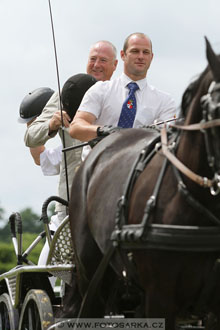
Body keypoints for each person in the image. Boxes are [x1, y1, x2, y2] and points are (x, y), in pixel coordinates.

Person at [24, 40, 118, 222]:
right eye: (93, 59)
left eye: (103, 60)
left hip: (113, 198)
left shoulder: (123, 95)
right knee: (56, 251)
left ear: (115, 65)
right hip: (71, 201)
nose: (97, 65)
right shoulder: (67, 94)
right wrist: (50, 124)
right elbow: (30, 137)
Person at [69, 33, 176, 152]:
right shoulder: (100, 90)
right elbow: (76, 128)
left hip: (138, 167)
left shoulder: (165, 101)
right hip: (98, 166)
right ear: (123, 55)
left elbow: (168, 140)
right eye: (135, 51)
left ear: (151, 57)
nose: (140, 56)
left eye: (145, 52)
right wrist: (103, 131)